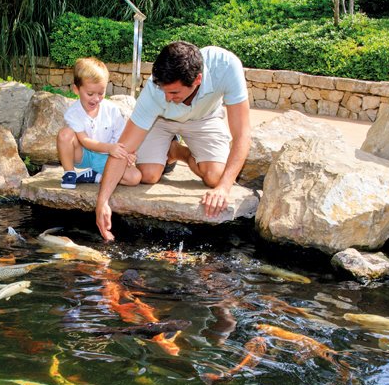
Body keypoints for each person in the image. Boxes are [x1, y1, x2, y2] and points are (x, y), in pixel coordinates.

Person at [95, 41, 251, 241]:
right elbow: (123, 149)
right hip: (161, 120)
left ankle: (178, 152)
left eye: (174, 92)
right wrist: (102, 201)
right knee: (148, 175)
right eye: (164, 90)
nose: (167, 98)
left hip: (204, 119)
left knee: (216, 177)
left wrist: (223, 188)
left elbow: (242, 135)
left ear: (198, 79)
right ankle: (170, 148)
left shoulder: (226, 66)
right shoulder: (154, 91)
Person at [57, 57, 142, 189]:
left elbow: (123, 138)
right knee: (65, 134)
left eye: (101, 93)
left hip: (107, 158)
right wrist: (110, 148)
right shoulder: (73, 113)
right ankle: (70, 173)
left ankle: (95, 177)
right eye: (90, 94)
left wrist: (128, 154)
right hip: (83, 155)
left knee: (134, 178)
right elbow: (84, 141)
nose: (96, 99)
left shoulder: (112, 110)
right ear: (76, 89)